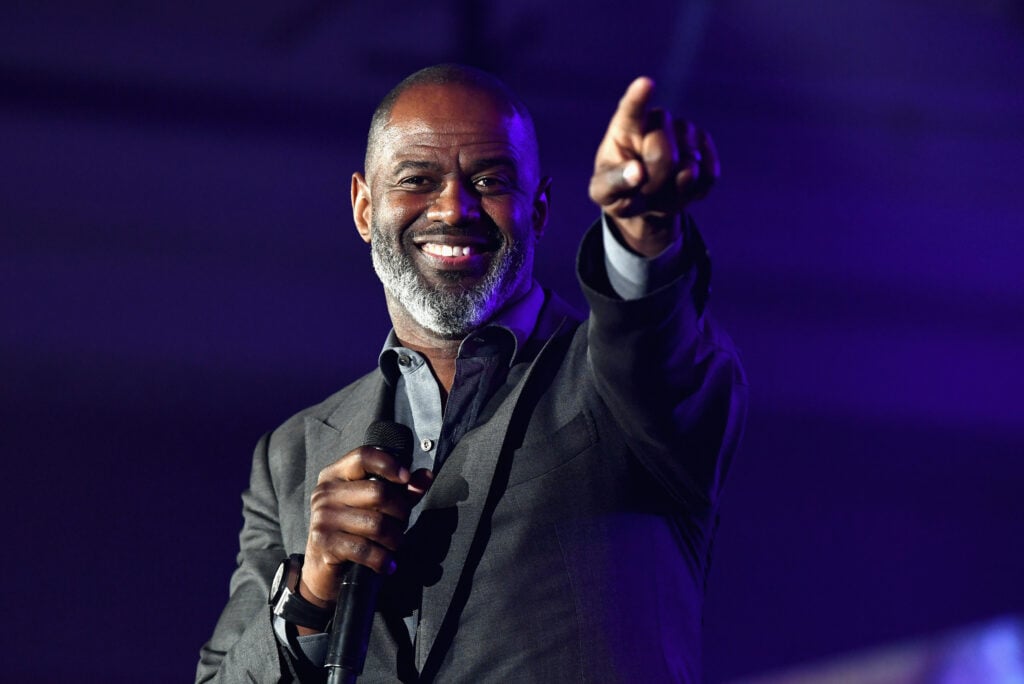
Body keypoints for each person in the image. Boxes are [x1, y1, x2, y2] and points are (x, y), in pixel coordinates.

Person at [197, 63, 747, 683]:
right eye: (417, 179)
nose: (454, 207)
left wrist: (642, 234)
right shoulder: (291, 457)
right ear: (362, 207)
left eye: (489, 180)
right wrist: (311, 597)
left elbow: (658, 352)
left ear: (538, 210)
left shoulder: (616, 383)